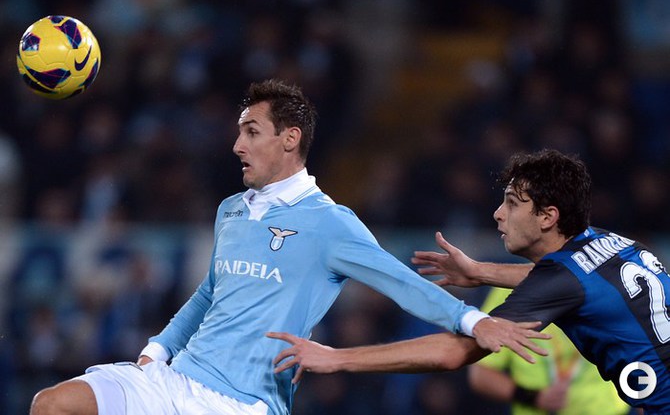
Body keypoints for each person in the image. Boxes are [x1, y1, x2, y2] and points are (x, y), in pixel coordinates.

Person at [29, 80, 548, 415]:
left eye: (251, 132)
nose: (237, 145)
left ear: (290, 138)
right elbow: (210, 292)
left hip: (241, 403)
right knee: (52, 404)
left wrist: (474, 321)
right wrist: (157, 349)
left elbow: (404, 284)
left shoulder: (330, 223)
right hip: (172, 379)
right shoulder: (231, 209)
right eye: (239, 132)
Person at [269, 148, 670, 415]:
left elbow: (454, 352)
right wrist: (480, 272)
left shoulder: (562, 278)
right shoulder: (608, 242)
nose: (498, 214)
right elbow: (570, 281)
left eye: (512, 203)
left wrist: (337, 358)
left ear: (548, 217)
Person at [470, 287, 629, 415]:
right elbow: (481, 375)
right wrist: (534, 398)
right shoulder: (509, 292)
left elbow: (639, 355)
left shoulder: (607, 283)